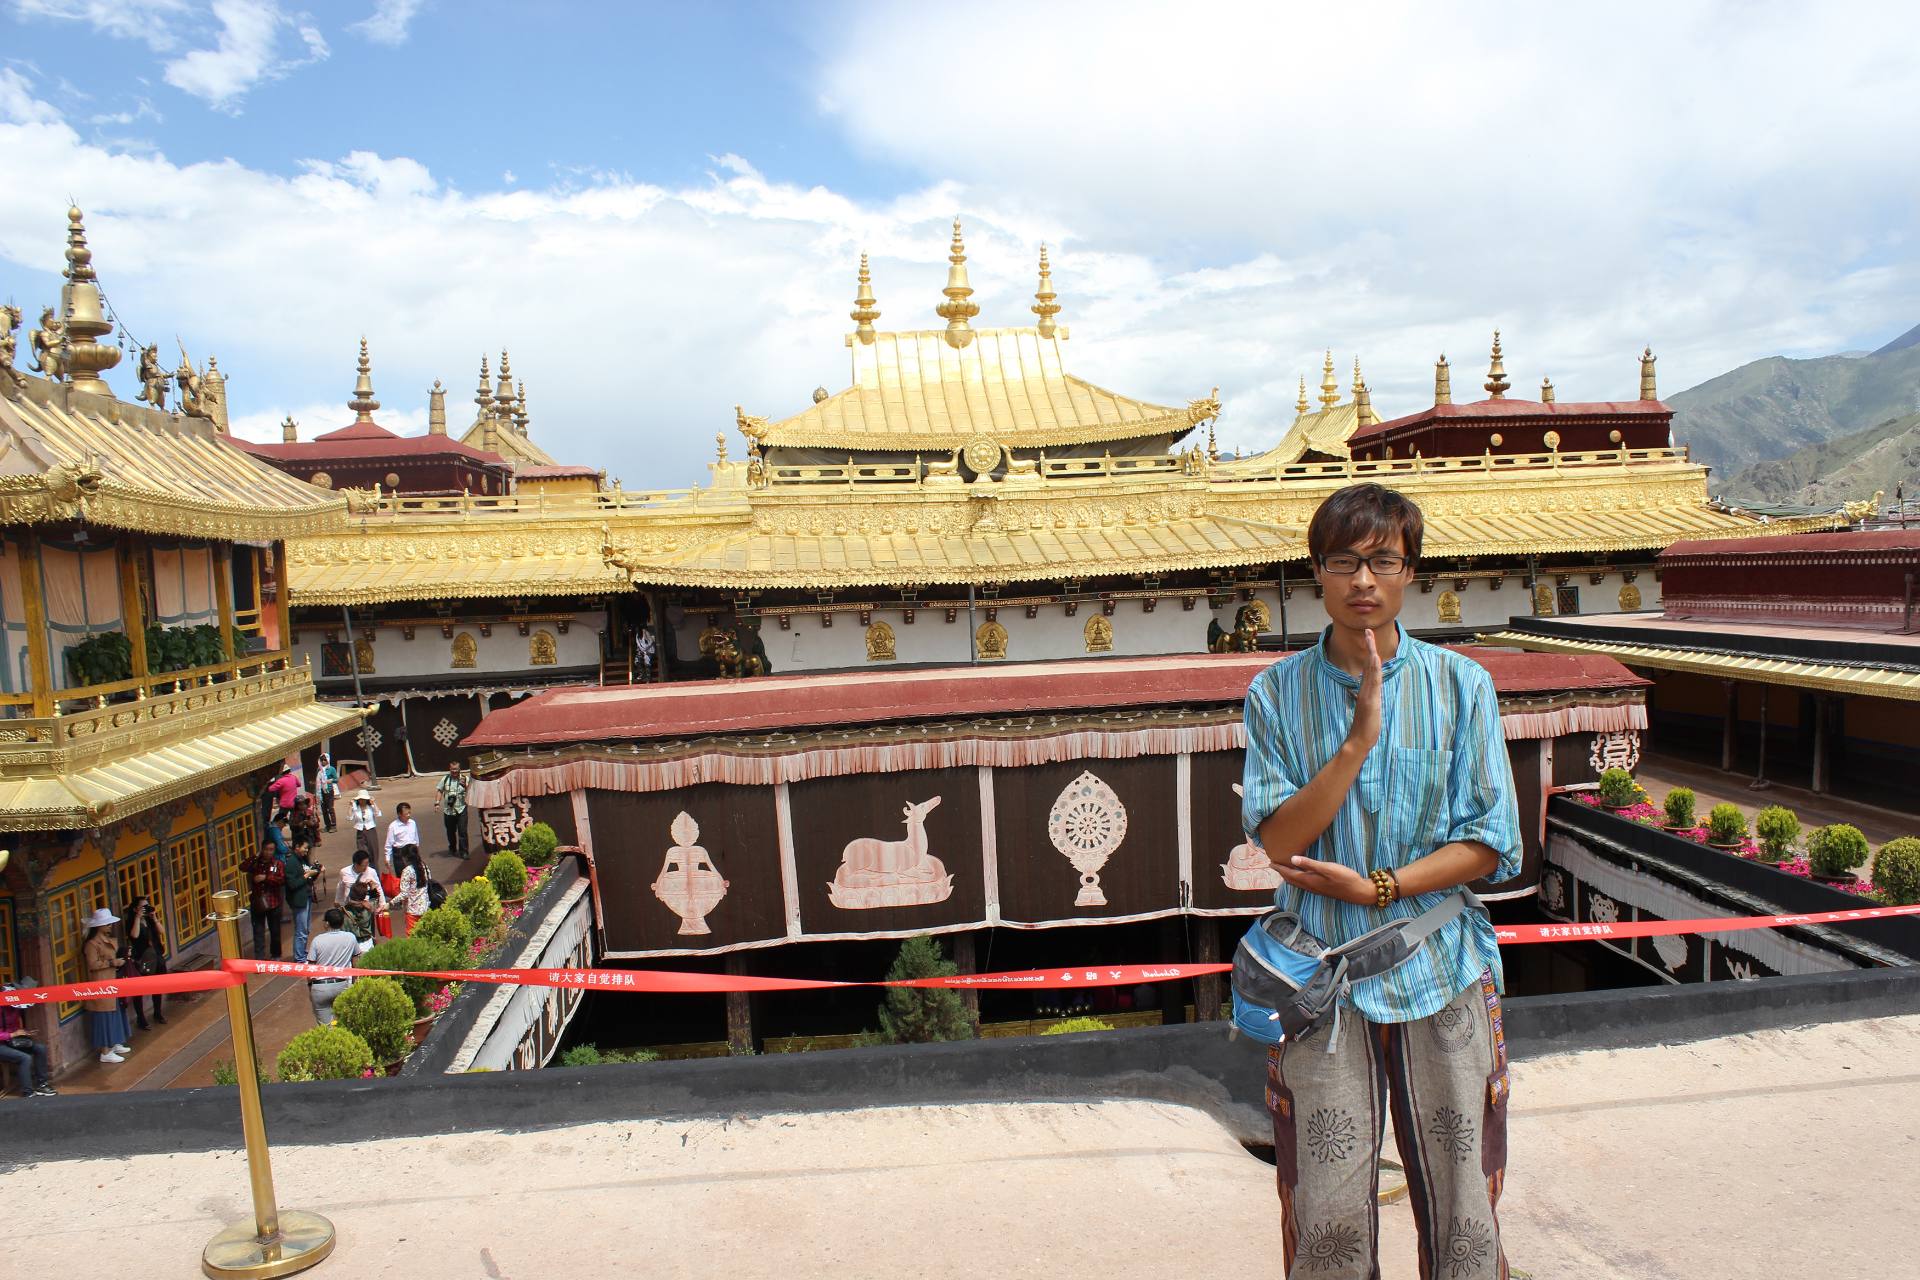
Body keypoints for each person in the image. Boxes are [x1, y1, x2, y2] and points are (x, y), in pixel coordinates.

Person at [1240, 483, 1522, 1280]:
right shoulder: (1275, 694)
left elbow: (1492, 843)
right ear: (1316, 574)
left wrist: (1380, 888)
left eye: (1383, 561)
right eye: (1344, 562)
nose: (1363, 580)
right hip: (1319, 981)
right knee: (1326, 1207)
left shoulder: (1461, 686)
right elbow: (1278, 838)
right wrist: (1358, 740)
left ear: (1410, 572)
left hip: (1441, 965)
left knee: (1465, 1201)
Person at [82, 909, 134, 1064]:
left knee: (116, 1011)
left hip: (112, 980)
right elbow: (92, 964)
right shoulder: (91, 944)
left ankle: (115, 1041)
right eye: (107, 923)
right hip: (101, 983)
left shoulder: (108, 939)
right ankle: (105, 1051)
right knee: (104, 1016)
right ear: (99, 926)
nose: (110, 926)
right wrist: (112, 963)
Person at [0, 979, 56, 1096]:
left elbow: (14, 1026)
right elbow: (9, 1033)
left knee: (40, 1048)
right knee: (24, 1058)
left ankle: (42, 1084)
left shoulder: (15, 1007)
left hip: (11, 1041)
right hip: (2, 1043)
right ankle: (28, 1092)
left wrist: (24, 1033)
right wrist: (12, 1035)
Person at [122, 894, 168, 1029]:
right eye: (142, 907)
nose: (145, 909)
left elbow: (162, 931)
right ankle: (141, 1019)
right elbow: (134, 935)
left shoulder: (149, 920)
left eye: (146, 906)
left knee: (157, 987)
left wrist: (154, 918)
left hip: (156, 956)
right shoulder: (132, 921)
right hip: (142, 959)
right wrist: (137, 917)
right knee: (139, 990)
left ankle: (158, 1013)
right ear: (135, 909)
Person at [306, 908, 359, 1025]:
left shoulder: (317, 940)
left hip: (320, 989)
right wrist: (355, 985)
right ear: (342, 922)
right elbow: (355, 964)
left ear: (326, 923)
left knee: (326, 1030)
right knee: (346, 1025)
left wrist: (310, 987)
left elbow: (310, 969)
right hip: (342, 986)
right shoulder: (351, 937)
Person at [243, 837, 287, 958]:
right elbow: (243, 867)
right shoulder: (256, 863)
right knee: (258, 932)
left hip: (274, 902)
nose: (268, 852)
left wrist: (266, 878)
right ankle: (259, 958)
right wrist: (254, 856)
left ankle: (276, 954)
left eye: (271, 850)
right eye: (266, 849)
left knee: (275, 931)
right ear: (262, 849)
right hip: (258, 902)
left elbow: (282, 880)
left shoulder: (278, 864)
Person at [282, 836, 323, 964]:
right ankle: (299, 957)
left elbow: (309, 879)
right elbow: (292, 884)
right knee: (301, 930)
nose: (306, 851)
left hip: (307, 897)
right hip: (299, 900)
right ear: (297, 847)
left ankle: (302, 952)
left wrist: (316, 872)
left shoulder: (302, 860)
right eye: (305, 848)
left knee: (306, 928)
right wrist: (306, 875)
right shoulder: (291, 863)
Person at [392, 846, 431, 933]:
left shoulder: (407, 871)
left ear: (405, 858)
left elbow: (404, 894)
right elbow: (428, 882)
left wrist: (391, 903)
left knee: (412, 938)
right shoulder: (424, 866)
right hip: (425, 908)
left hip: (413, 912)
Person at [435, 762, 470, 860]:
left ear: (460, 769)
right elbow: (439, 790)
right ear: (449, 769)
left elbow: (471, 792)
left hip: (461, 809)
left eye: (456, 769)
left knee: (462, 831)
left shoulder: (465, 779)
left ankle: (464, 852)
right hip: (448, 810)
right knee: (450, 831)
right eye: (452, 769)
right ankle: (453, 848)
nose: (454, 771)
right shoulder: (445, 779)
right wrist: (437, 803)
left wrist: (465, 787)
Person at [342, 882, 380, 953]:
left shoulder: (343, 911)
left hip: (350, 946)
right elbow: (375, 897)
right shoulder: (369, 907)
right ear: (364, 895)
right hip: (367, 944)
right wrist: (372, 886)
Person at [383, 802, 420, 874]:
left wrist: (417, 851)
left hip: (412, 852)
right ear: (399, 814)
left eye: (409, 813)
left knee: (415, 875)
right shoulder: (393, 826)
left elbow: (416, 838)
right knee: (402, 876)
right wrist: (387, 858)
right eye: (406, 814)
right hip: (400, 854)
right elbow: (389, 844)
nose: (409, 815)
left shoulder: (412, 823)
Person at [349, 789, 383, 865]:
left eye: (364, 799)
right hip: (360, 831)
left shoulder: (370, 807)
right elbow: (349, 817)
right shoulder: (356, 808)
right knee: (362, 852)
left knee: (373, 851)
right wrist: (351, 806)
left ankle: (374, 868)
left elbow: (378, 814)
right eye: (360, 799)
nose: (362, 801)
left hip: (371, 831)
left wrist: (374, 804)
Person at [314, 753, 340, 833]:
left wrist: (330, 781)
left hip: (329, 791)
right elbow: (317, 781)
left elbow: (336, 779)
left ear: (328, 760)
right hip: (321, 792)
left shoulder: (331, 769)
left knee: (330, 808)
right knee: (324, 809)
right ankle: (327, 825)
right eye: (321, 760)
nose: (323, 761)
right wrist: (316, 793)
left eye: (325, 760)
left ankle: (333, 825)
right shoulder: (319, 769)